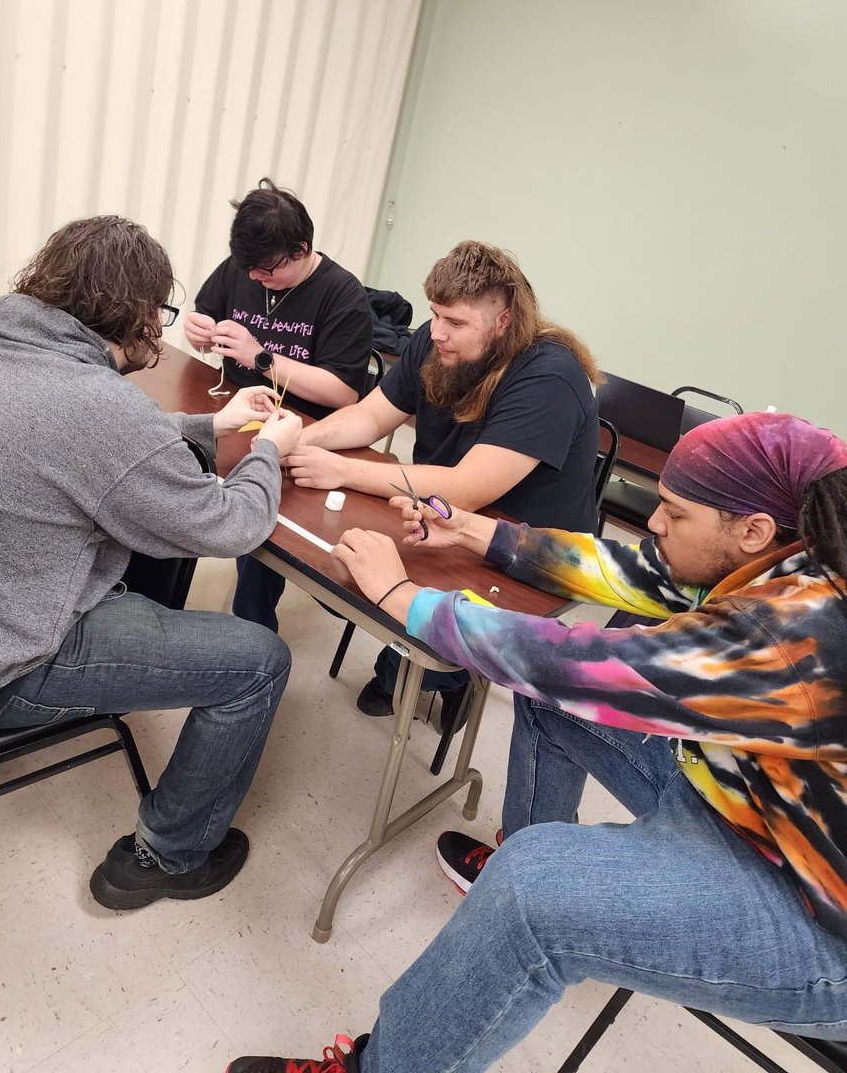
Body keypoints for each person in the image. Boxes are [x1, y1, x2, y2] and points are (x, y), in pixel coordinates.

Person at [226, 411, 847, 1071]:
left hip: (811, 911)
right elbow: (629, 570)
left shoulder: (797, 630)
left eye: (673, 512)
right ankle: (512, 881)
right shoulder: (782, 553)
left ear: (751, 528)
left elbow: (579, 665)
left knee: (534, 892)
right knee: (550, 716)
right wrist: (473, 530)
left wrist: (405, 596)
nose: (653, 523)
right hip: (747, 803)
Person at [0, 216, 303, 911]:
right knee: (260, 661)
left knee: (146, 561)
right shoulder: (97, 405)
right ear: (136, 312)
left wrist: (212, 427)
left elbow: (79, 440)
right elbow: (231, 525)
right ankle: (168, 856)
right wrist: (270, 452)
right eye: (160, 315)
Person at [281, 239, 601, 724]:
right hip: (442, 517)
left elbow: (469, 486)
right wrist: (297, 439)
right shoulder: (433, 343)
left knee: (421, 654)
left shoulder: (549, 377)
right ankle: (418, 669)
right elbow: (369, 417)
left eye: (455, 322)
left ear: (503, 322)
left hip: (530, 552)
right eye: (435, 314)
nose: (438, 333)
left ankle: (449, 679)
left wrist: (343, 469)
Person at [184, 178, 373, 639]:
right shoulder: (244, 267)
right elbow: (206, 314)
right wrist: (199, 330)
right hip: (231, 407)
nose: (253, 279)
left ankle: (252, 636)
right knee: (175, 475)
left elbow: (344, 392)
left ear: (301, 249)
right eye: (247, 268)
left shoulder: (343, 295)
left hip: (298, 428)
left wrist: (260, 357)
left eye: (267, 271)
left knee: (260, 519)